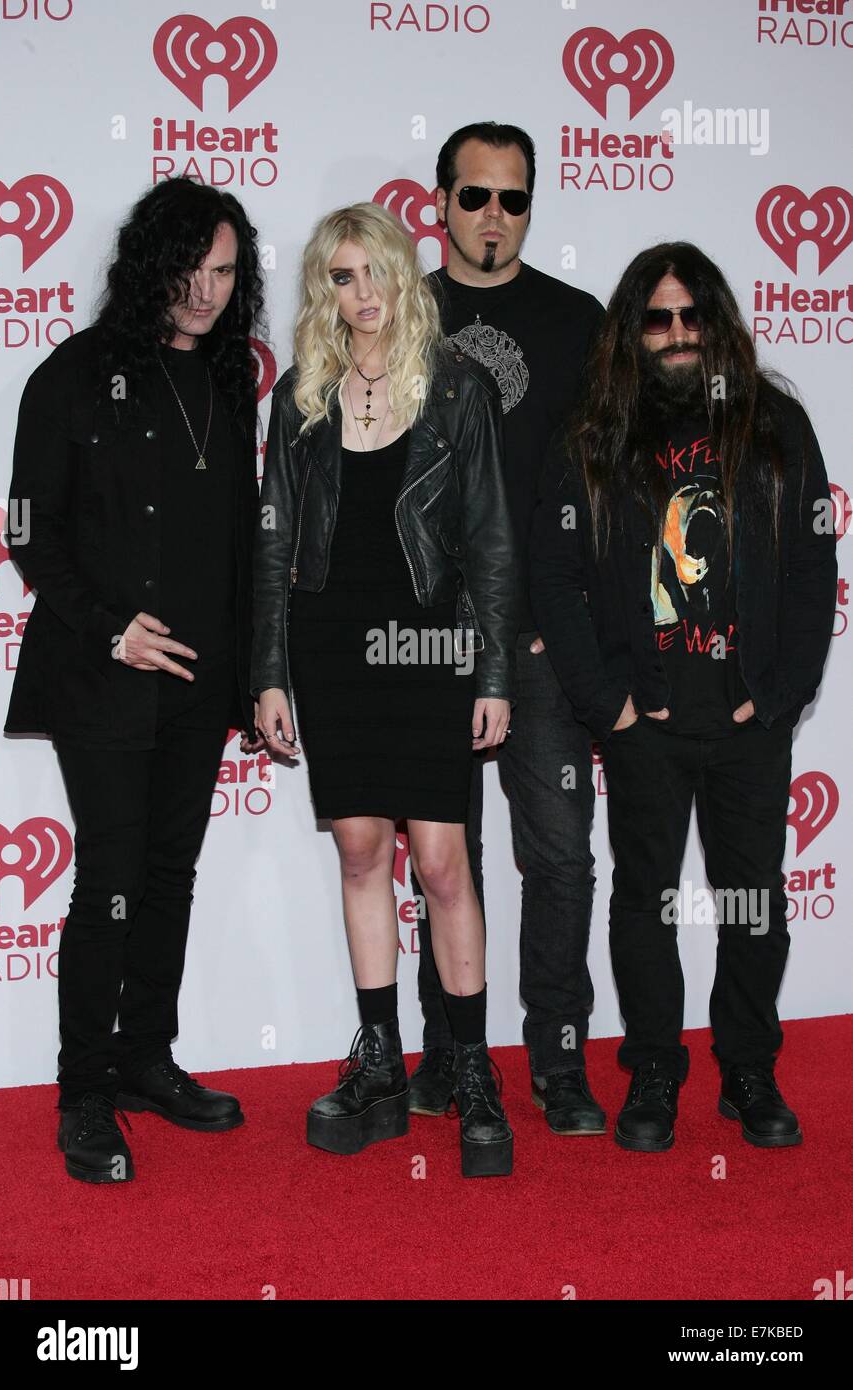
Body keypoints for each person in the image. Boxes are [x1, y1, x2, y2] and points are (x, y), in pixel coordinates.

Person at [530, 242, 837, 1152]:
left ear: (716, 324)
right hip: (646, 722)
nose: (675, 335)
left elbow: (816, 568)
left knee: (754, 901)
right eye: (656, 318)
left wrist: (780, 693)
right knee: (646, 901)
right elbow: (553, 577)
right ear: (633, 331)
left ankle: (748, 1070)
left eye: (690, 316)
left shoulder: (773, 425)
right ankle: (655, 1067)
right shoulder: (595, 434)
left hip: (747, 719)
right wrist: (607, 702)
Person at [5, 176, 265, 1183]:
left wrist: (255, 675)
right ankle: (82, 1094)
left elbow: (242, 539)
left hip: (201, 677)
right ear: (148, 266)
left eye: (225, 272)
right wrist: (113, 630)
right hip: (104, 674)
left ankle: (145, 1060)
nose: (205, 292)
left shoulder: (234, 380)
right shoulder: (73, 375)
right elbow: (31, 530)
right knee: (110, 880)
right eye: (189, 269)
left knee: (170, 874)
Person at [252, 202, 518, 1177]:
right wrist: (268, 673)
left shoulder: (454, 388)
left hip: (427, 645)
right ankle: (377, 1058)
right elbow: (274, 541)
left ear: (403, 277)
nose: (360, 296)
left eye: (374, 275)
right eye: (339, 278)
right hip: (331, 646)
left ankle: (474, 1067)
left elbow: (489, 541)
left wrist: (491, 670)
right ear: (323, 290)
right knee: (361, 849)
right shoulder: (298, 396)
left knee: (442, 861)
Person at [410, 121, 608, 1138]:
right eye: (475, 195)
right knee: (445, 860)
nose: (494, 216)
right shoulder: (393, 312)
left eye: (513, 198)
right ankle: (449, 1049)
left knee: (561, 857)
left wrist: (567, 621)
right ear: (436, 198)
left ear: (533, 205)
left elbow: (605, 485)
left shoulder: (578, 322)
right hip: (425, 641)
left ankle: (559, 1058)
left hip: (536, 639)